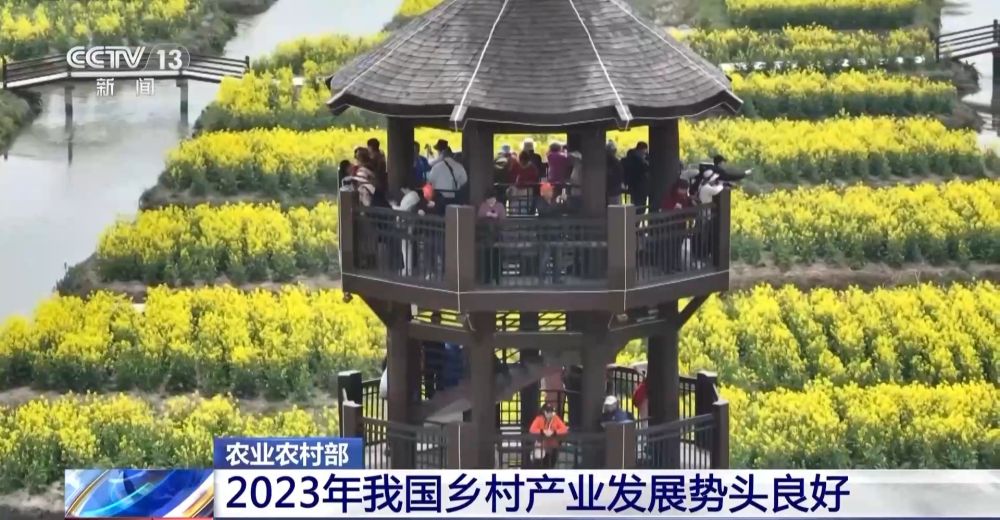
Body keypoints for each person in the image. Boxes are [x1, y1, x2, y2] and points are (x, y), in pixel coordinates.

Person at [427, 140, 468, 204]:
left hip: (439, 198)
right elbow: (464, 180)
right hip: (453, 198)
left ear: (441, 153)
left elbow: (430, 181)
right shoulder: (459, 166)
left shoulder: (436, 167)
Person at [528, 403, 568, 469]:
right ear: (544, 412)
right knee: (539, 465)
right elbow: (532, 429)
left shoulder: (555, 418)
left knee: (551, 465)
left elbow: (564, 429)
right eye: (548, 412)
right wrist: (543, 431)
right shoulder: (539, 418)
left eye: (551, 411)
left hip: (553, 447)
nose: (550, 414)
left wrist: (554, 432)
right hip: (542, 447)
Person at [622, 142, 649, 212]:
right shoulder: (638, 161)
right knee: (640, 207)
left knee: (634, 205)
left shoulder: (629, 158)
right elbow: (643, 169)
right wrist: (644, 162)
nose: (644, 154)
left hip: (632, 186)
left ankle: (634, 217)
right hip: (639, 186)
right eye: (644, 152)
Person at [606, 141, 625, 205]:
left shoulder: (614, 162)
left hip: (613, 190)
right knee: (615, 207)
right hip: (614, 190)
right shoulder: (615, 162)